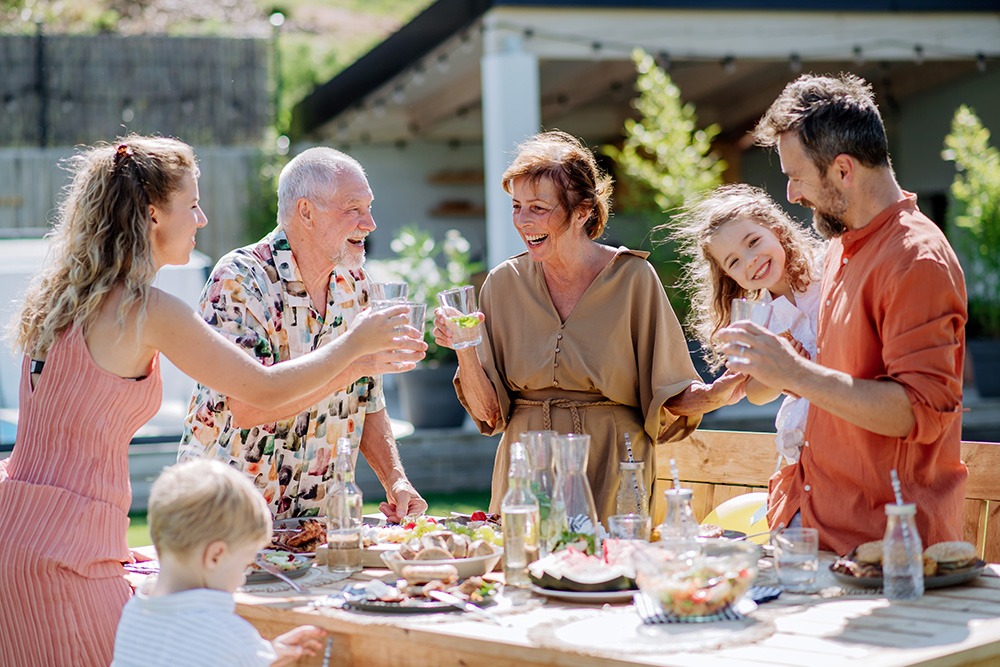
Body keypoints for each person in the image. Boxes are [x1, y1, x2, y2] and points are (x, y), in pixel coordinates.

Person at [0, 136, 422, 667]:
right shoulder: (148, 310)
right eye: (192, 205)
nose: (201, 220)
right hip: (74, 554)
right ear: (153, 215)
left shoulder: (56, 299)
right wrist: (355, 349)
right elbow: (260, 392)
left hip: (16, 533)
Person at [432, 130, 745, 523]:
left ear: (582, 211)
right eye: (516, 206)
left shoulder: (634, 278)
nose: (523, 221)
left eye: (538, 208)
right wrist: (465, 348)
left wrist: (715, 395)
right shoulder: (502, 282)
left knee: (607, 577)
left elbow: (667, 397)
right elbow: (491, 414)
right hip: (527, 465)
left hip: (613, 463)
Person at [719, 73, 968, 554]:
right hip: (810, 525)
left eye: (796, 176)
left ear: (843, 170)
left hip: (883, 550)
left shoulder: (915, 257)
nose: (790, 194)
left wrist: (795, 371)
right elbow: (834, 376)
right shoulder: (837, 249)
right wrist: (775, 368)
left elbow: (921, 411)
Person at [179, 147, 428, 522]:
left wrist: (395, 480)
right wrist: (353, 359)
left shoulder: (356, 283)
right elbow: (246, 407)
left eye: (369, 207)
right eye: (353, 209)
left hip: (314, 524)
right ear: (306, 212)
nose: (370, 223)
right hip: (223, 518)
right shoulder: (240, 280)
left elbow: (367, 399)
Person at [111, 459, 327, 666]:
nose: (242, 577)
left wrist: (264, 655)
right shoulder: (228, 634)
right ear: (215, 556)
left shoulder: (135, 611)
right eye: (244, 565)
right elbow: (223, 649)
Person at [668, 183, 825, 464]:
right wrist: (778, 371)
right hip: (808, 443)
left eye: (753, 242)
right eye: (734, 262)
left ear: (776, 229)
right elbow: (755, 394)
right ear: (730, 276)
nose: (751, 261)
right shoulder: (758, 318)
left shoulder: (826, 272)